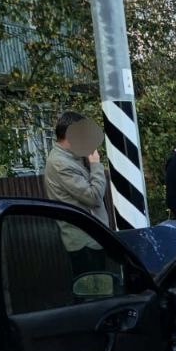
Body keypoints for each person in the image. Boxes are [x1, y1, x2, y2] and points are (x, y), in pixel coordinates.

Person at [43, 110, 110, 273]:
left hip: (93, 238)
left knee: (101, 289)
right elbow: (93, 197)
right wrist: (95, 165)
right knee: (93, 293)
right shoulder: (61, 164)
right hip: (85, 243)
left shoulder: (72, 158)